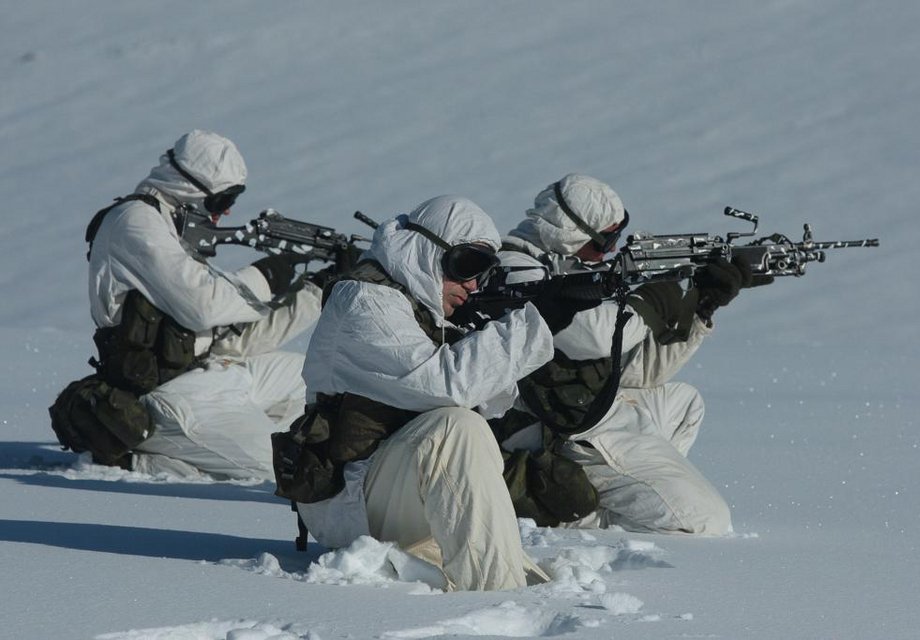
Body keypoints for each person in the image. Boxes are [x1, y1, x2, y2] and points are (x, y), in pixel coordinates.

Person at [293, 195, 559, 591]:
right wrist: (541, 320)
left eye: (482, 274)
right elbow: (443, 385)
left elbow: (490, 400)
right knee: (457, 429)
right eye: (466, 266)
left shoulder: (414, 305)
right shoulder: (364, 301)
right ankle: (500, 599)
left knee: (463, 425)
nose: (471, 285)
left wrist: (477, 331)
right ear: (425, 248)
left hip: (389, 486)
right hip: (348, 499)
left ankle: (502, 579)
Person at [494, 173, 765, 536]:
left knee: (685, 403)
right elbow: (593, 337)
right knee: (708, 522)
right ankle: (588, 518)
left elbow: (643, 373)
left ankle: (637, 492)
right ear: (568, 231)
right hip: (563, 430)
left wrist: (700, 308)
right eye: (602, 241)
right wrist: (652, 299)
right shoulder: (517, 271)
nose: (607, 252)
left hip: (594, 406)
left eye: (616, 239)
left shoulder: (569, 267)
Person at [81, 129, 325, 480]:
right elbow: (206, 306)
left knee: (324, 386)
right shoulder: (134, 223)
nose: (224, 213)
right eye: (219, 201)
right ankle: (147, 458)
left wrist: (317, 291)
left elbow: (231, 339)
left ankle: (227, 446)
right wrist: (268, 276)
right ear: (188, 188)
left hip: (218, 373)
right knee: (277, 474)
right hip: (175, 393)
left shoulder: (174, 229)